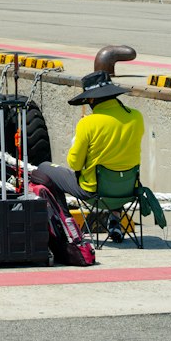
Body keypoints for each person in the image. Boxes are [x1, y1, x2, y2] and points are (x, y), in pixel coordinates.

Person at [31, 70, 144, 226]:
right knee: (115, 169)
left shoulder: (88, 124)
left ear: (91, 98)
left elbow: (74, 164)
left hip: (93, 192)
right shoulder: (137, 117)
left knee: (44, 168)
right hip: (128, 190)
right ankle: (115, 221)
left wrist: (78, 137)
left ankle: (66, 221)